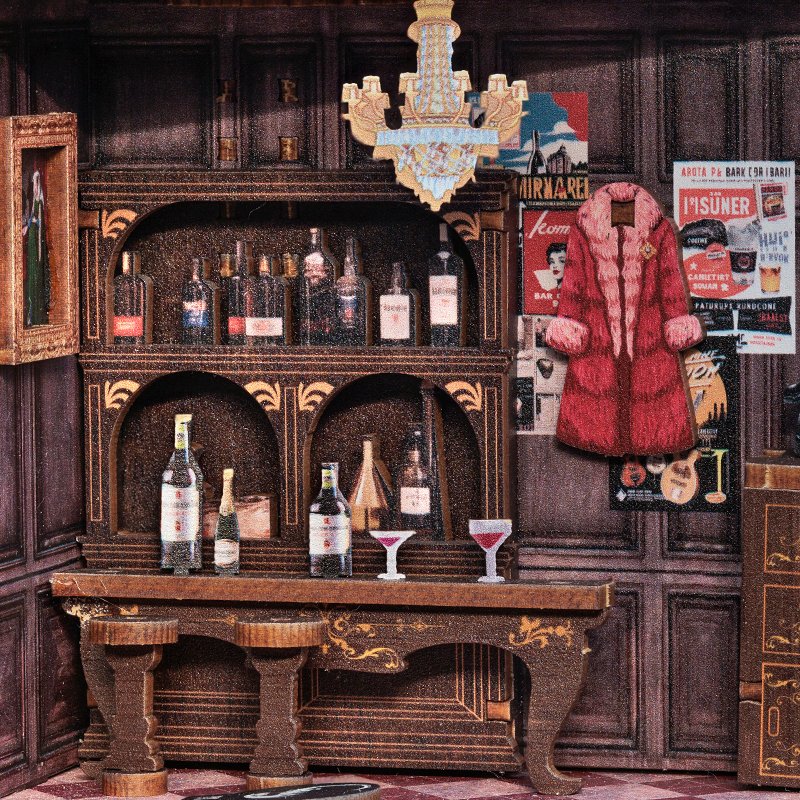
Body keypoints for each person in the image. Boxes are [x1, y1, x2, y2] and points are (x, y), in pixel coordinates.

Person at [22, 167, 50, 326]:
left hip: (36, 238)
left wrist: (33, 223)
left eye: (37, 182)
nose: (35, 185)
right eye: (34, 182)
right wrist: (28, 226)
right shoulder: (32, 201)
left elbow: (38, 218)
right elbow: (31, 216)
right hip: (32, 237)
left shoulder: (39, 201)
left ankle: (36, 316)